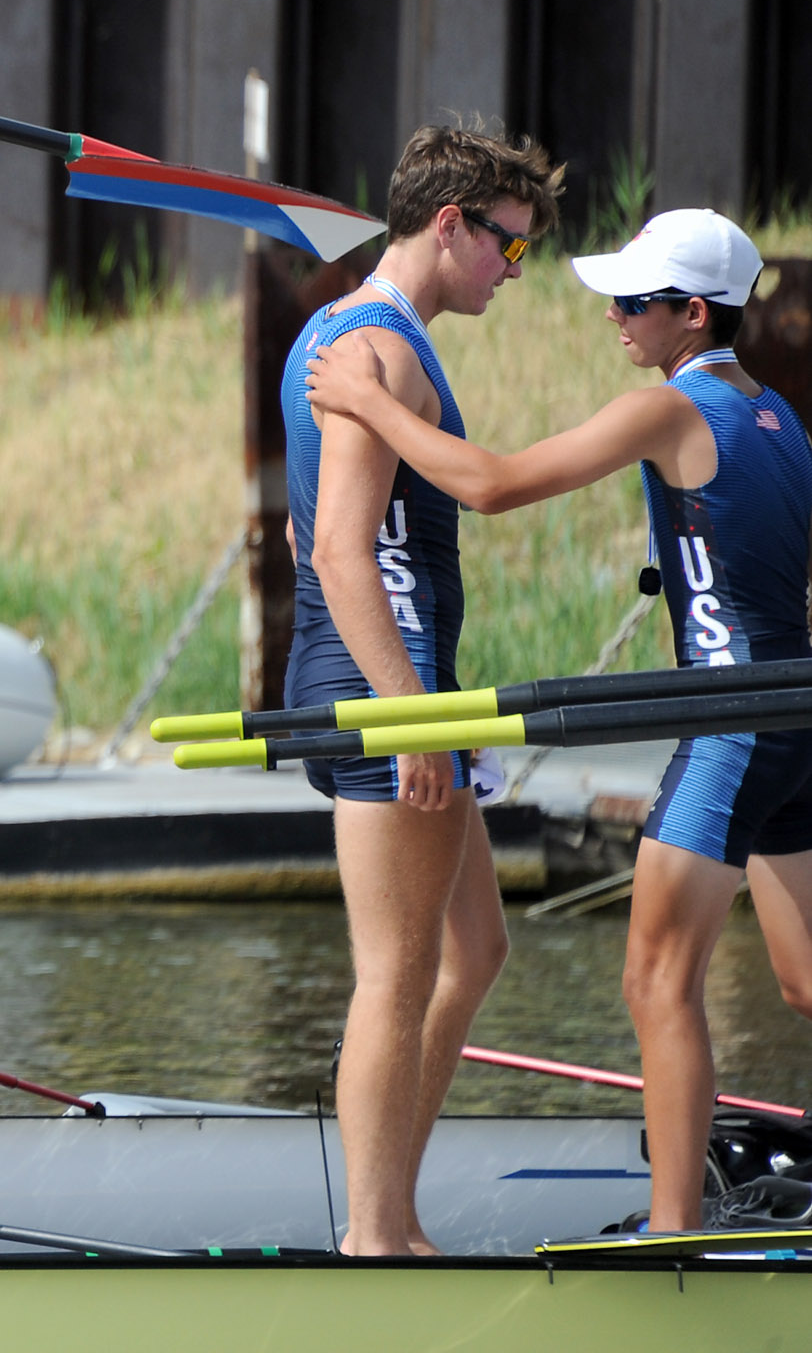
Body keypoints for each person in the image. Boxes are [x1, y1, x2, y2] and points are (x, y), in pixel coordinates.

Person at [306, 207, 812, 1235]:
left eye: (634, 302)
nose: (616, 317)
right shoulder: (782, 418)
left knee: (656, 978)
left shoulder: (668, 411)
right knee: (804, 979)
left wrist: (370, 401)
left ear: (691, 313)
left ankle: (674, 1235)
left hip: (732, 725)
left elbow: (490, 487)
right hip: (796, 716)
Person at [279, 123, 559, 1255]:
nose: (511, 270)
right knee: (394, 973)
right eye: (509, 246)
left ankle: (391, 1197)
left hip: (397, 676)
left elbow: (309, 536)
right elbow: (343, 550)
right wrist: (409, 717)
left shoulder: (340, 332)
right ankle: (377, 1238)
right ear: (450, 224)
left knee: (474, 951)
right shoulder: (377, 347)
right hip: (383, 685)